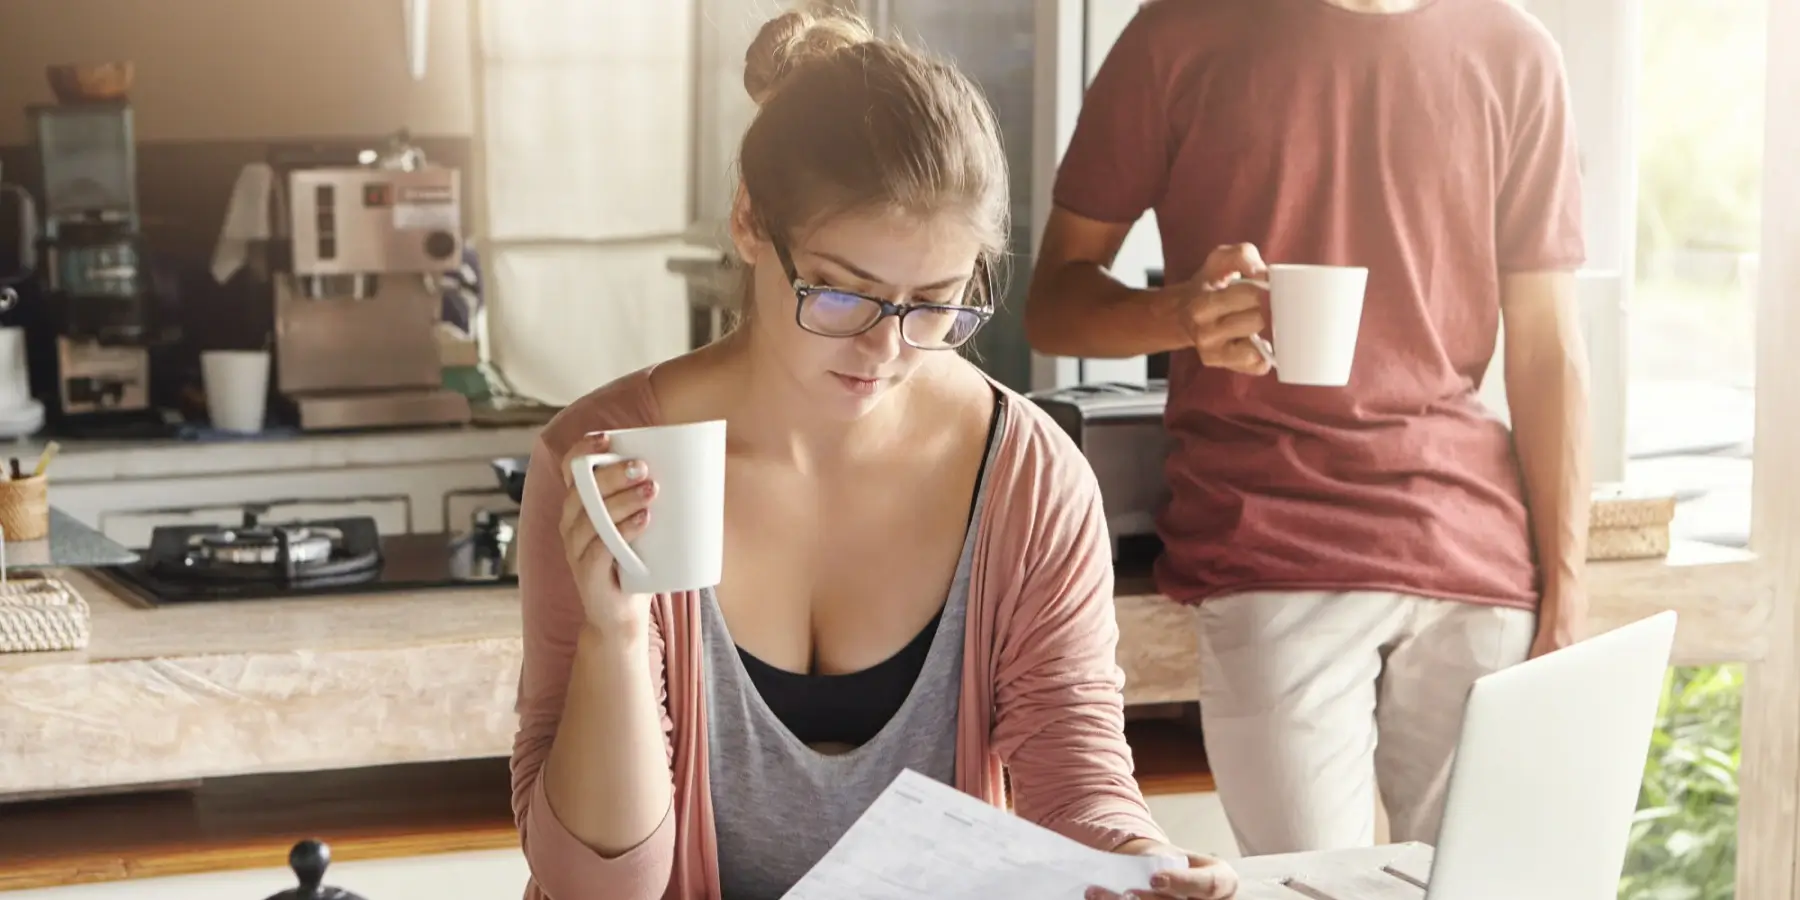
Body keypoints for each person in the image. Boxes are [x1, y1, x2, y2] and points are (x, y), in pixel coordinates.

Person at [509, 11, 1238, 900]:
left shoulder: (1028, 478)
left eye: (934, 303)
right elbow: (594, 889)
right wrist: (615, 634)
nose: (885, 348)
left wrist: (1138, 863)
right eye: (842, 293)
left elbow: (1075, 774)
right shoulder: (605, 461)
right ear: (749, 220)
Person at [1025, 0, 1592, 858]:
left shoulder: (1517, 52)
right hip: (1272, 547)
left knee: (1490, 881)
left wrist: (1567, 602)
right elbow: (1052, 304)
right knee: (1314, 887)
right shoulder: (1180, 34)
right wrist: (1184, 317)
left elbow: (1549, 350)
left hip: (1476, 561)